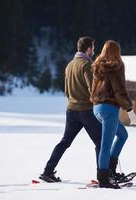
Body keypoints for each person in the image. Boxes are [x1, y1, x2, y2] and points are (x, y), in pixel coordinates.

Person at [40, 36, 101, 182]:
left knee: (65, 142)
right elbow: (92, 89)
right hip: (86, 110)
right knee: (101, 142)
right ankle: (103, 175)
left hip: (71, 110)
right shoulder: (86, 65)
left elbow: (67, 91)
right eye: (92, 47)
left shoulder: (70, 65)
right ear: (87, 49)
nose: (94, 50)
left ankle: (47, 171)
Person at [90, 40, 136, 189]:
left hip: (97, 108)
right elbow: (119, 90)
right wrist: (130, 110)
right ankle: (104, 179)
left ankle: (110, 171)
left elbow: (92, 89)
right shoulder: (116, 66)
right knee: (105, 145)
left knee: (123, 135)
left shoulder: (98, 66)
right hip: (109, 109)